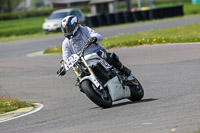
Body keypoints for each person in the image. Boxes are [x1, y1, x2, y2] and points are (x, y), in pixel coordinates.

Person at [57, 15, 131, 77]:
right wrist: (63, 68)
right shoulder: (66, 43)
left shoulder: (85, 30)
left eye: (68, 29)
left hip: (96, 52)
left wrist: (94, 38)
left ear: (75, 25)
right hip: (83, 62)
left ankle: (122, 69)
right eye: (65, 30)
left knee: (109, 57)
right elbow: (66, 58)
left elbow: (98, 36)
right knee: (81, 80)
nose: (67, 32)